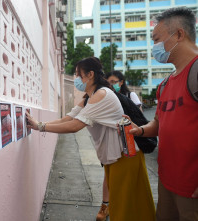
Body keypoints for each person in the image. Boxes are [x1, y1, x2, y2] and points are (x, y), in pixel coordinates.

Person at [26, 57, 156, 221]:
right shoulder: (91, 96)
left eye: (78, 74)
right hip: (115, 157)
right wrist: (39, 124)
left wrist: (40, 127)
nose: (76, 79)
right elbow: (68, 118)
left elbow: (75, 126)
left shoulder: (102, 95)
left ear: (90, 74)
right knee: (123, 206)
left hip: (125, 157)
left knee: (125, 208)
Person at [128, 7, 198, 221]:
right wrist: (137, 130)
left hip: (192, 188)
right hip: (167, 181)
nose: (154, 47)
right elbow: (159, 123)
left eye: (157, 39)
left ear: (179, 34)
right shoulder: (166, 83)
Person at [93, 71, 144, 221]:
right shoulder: (105, 96)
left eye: (114, 81)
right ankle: (105, 206)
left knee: (127, 178)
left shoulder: (131, 97)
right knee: (108, 177)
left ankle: (126, 207)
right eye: (109, 81)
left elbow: (138, 117)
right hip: (110, 141)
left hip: (128, 142)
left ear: (121, 82)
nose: (112, 84)